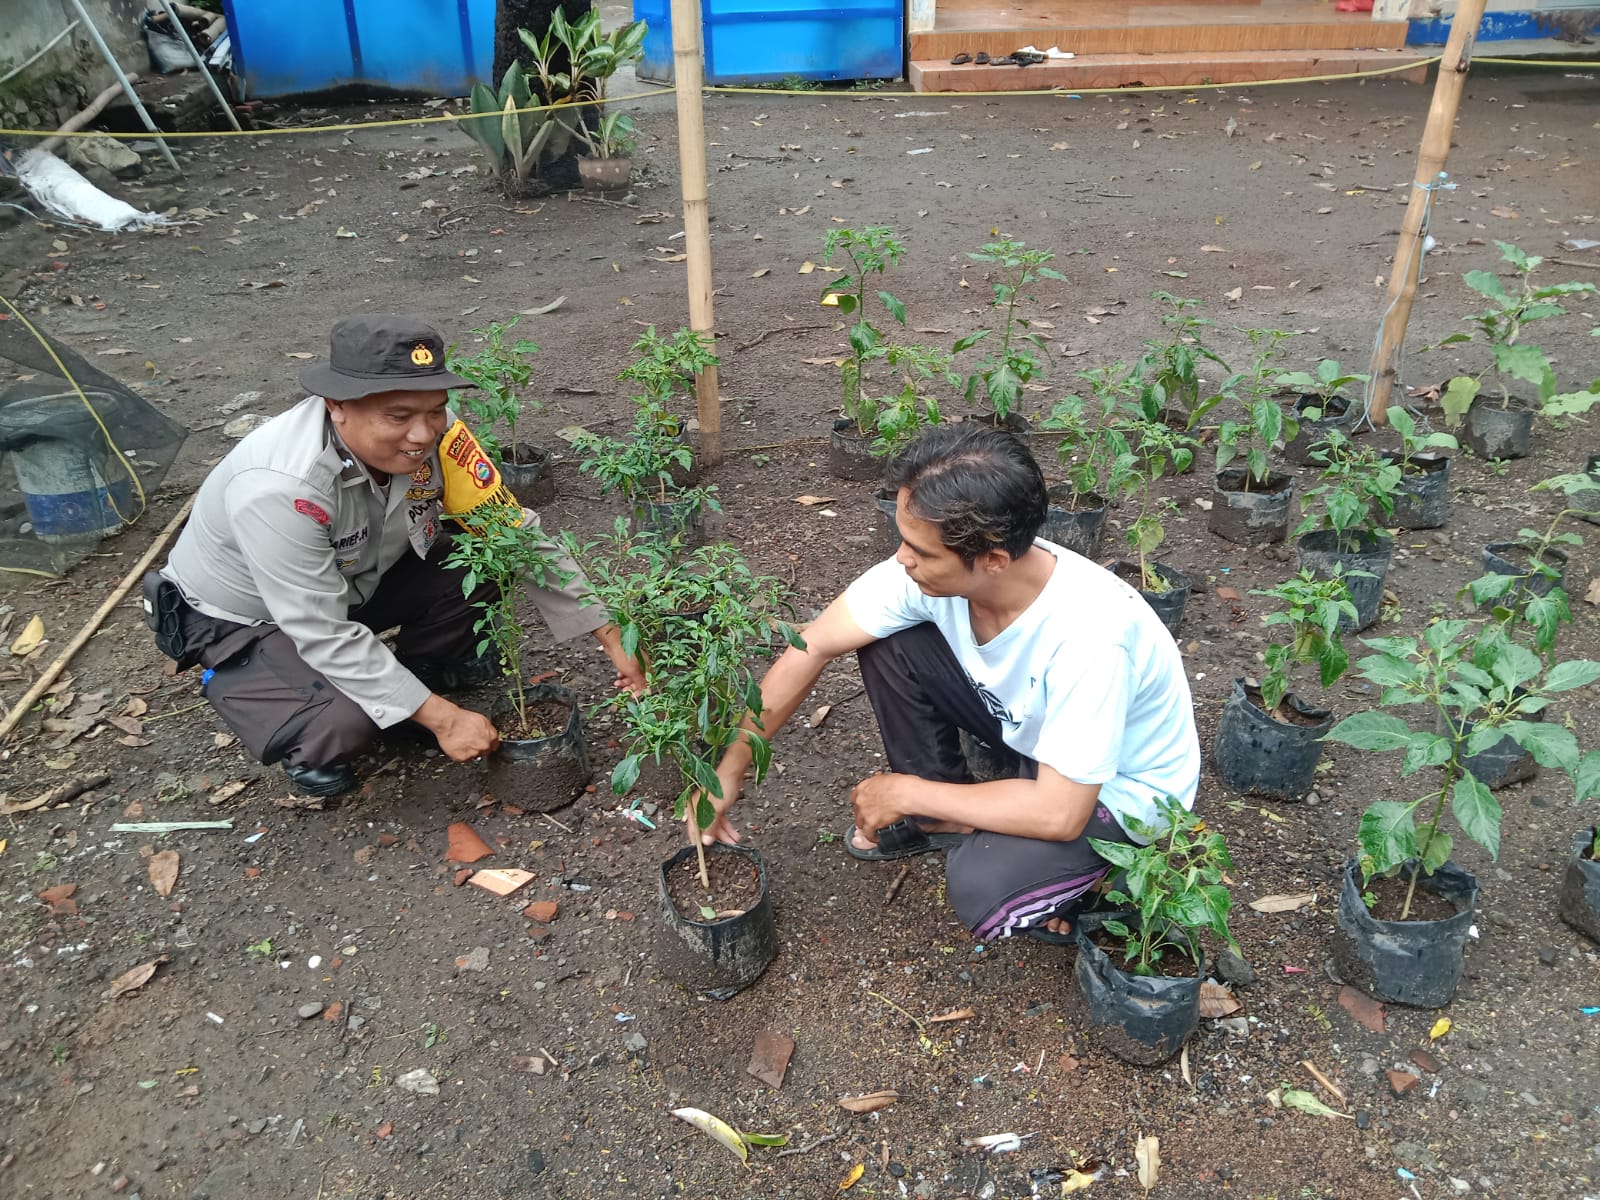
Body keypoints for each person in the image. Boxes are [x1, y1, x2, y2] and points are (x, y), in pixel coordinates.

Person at [700, 423, 1200, 942]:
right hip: (1039, 733)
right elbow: (814, 645)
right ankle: (947, 817)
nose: (901, 558)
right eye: (902, 538)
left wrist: (908, 790)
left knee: (981, 886)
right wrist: (729, 771)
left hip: (1119, 791)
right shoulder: (927, 574)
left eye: (921, 550)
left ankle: (1092, 884)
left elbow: (1060, 813)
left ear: (994, 559)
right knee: (886, 641)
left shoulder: (1091, 638)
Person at [145, 313, 644, 797]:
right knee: (347, 723)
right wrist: (443, 719)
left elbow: (514, 534)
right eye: (398, 416)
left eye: (433, 410)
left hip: (354, 579)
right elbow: (318, 628)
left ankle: (417, 677)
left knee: (480, 559)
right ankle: (301, 734)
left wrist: (611, 634)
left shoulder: (439, 433)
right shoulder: (280, 489)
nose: (423, 434)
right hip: (250, 616)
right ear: (336, 404)